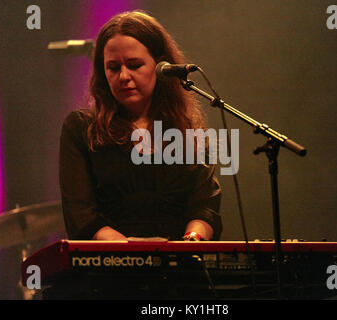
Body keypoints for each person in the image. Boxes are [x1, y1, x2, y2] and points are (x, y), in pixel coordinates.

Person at [59, 10, 222, 243]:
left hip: (183, 272)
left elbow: (205, 207)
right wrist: (133, 250)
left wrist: (192, 240)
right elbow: (81, 214)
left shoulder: (189, 132)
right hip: (111, 272)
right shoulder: (81, 129)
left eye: (134, 65)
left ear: (161, 66)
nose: (123, 76)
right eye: (113, 68)